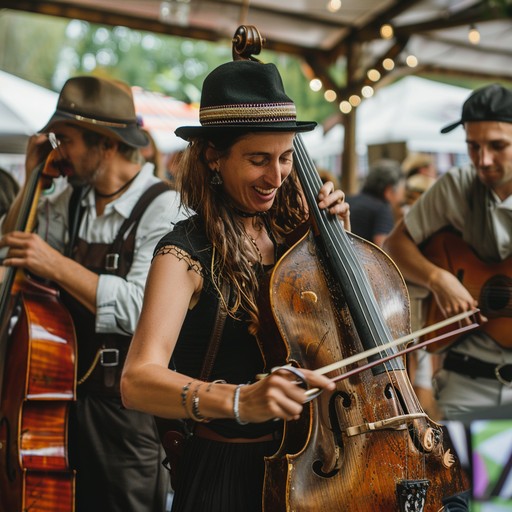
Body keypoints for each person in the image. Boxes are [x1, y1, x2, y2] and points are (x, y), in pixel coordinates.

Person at [121, 59, 349, 512]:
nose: (278, 176)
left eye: (286, 157)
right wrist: (242, 399)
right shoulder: (183, 252)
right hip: (228, 470)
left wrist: (340, 248)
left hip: (316, 462)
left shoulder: (295, 235)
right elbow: (136, 381)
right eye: (258, 159)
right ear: (213, 156)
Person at [0, 75, 188, 511]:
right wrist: (31, 182)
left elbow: (144, 309)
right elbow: (13, 243)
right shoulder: (72, 198)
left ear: (104, 142)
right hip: (60, 403)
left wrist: (55, 265)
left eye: (64, 139)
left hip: (127, 415)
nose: (56, 150)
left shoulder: (163, 207)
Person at [383, 83, 512, 421]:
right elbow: (395, 245)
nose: (483, 160)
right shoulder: (456, 185)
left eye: (498, 146)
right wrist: (438, 278)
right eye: (473, 146)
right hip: (463, 381)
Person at [346, 158, 405, 247]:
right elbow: (382, 252)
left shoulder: (348, 200)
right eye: (402, 190)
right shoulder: (382, 209)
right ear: (389, 191)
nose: (402, 197)